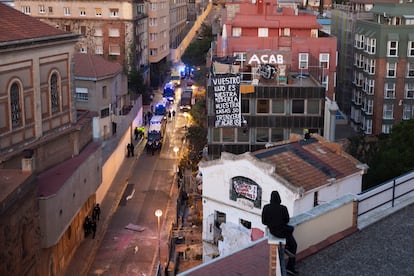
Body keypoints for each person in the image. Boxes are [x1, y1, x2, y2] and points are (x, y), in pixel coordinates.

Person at [262, 191, 298, 275]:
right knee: (293, 244)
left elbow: (264, 221)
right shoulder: (283, 208)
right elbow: (287, 220)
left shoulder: (266, 207)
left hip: (273, 231)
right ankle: (290, 266)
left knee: (289, 237)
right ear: (279, 198)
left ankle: (287, 250)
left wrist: (272, 223)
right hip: (284, 231)